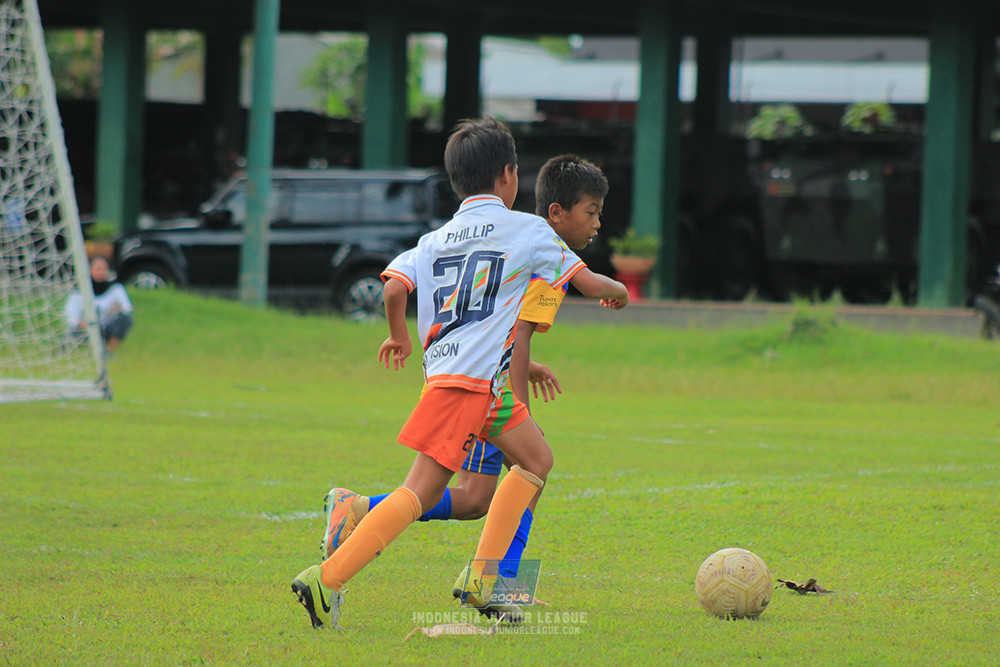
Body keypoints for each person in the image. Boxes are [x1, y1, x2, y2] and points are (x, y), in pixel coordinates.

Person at [290, 119, 629, 630]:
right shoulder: (528, 230)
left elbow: (393, 289)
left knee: (533, 461)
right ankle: (329, 577)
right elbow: (586, 280)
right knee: (421, 494)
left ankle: (484, 579)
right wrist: (618, 291)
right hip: (478, 385)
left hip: (455, 381)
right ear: (508, 176)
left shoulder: (434, 240)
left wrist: (400, 336)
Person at [65, 255, 134, 355]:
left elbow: (126, 308)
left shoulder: (115, 288)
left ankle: (109, 351)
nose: (101, 272)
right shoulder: (79, 291)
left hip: (106, 328)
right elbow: (71, 317)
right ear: (90, 270)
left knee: (126, 320)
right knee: (72, 335)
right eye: (98, 269)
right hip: (85, 330)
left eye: (104, 269)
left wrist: (117, 309)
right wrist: (87, 325)